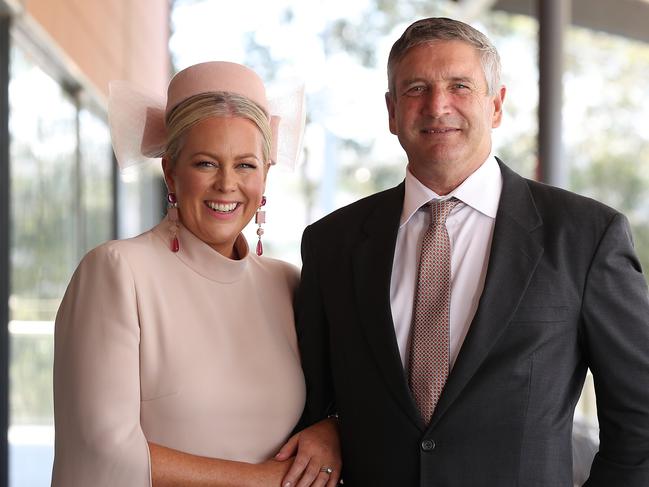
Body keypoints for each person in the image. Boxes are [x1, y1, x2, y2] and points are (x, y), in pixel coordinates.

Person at [296, 17, 649, 486]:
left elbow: (641, 419)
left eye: (459, 86)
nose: (437, 105)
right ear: (391, 111)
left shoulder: (585, 236)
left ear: (496, 104)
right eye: (416, 88)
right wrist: (329, 426)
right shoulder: (331, 244)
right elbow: (317, 404)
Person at [52, 61, 341, 487]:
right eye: (206, 163)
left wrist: (332, 429)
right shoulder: (117, 271)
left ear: (266, 175)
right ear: (171, 170)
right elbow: (102, 449)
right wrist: (265, 481)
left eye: (245, 165)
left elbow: (332, 403)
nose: (227, 184)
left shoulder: (288, 283)